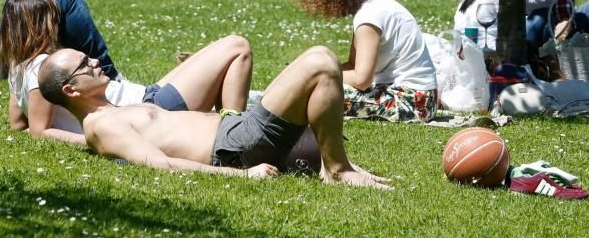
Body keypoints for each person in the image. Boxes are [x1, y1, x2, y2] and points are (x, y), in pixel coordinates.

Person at [38, 46, 392, 188]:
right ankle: (337, 170)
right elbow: (159, 165)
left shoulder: (110, 112)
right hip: (237, 146)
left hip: (238, 130)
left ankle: (333, 163)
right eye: (85, 65)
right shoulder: (100, 125)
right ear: (71, 90)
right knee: (320, 61)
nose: (95, 62)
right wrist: (241, 175)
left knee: (318, 65)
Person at [0, 0, 255, 145]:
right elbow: (39, 130)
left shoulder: (18, 70)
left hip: (147, 99)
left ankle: (228, 124)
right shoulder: (44, 68)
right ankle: (236, 137)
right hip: (151, 109)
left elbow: (17, 125)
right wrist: (95, 140)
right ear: (42, 25)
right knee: (236, 47)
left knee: (208, 59)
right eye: (54, 19)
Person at [290, 0, 436, 122]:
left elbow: (361, 79)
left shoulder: (369, 16)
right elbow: (353, 65)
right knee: (314, 89)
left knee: (319, 95)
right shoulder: (372, 6)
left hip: (414, 103)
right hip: (420, 99)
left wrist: (311, 78)